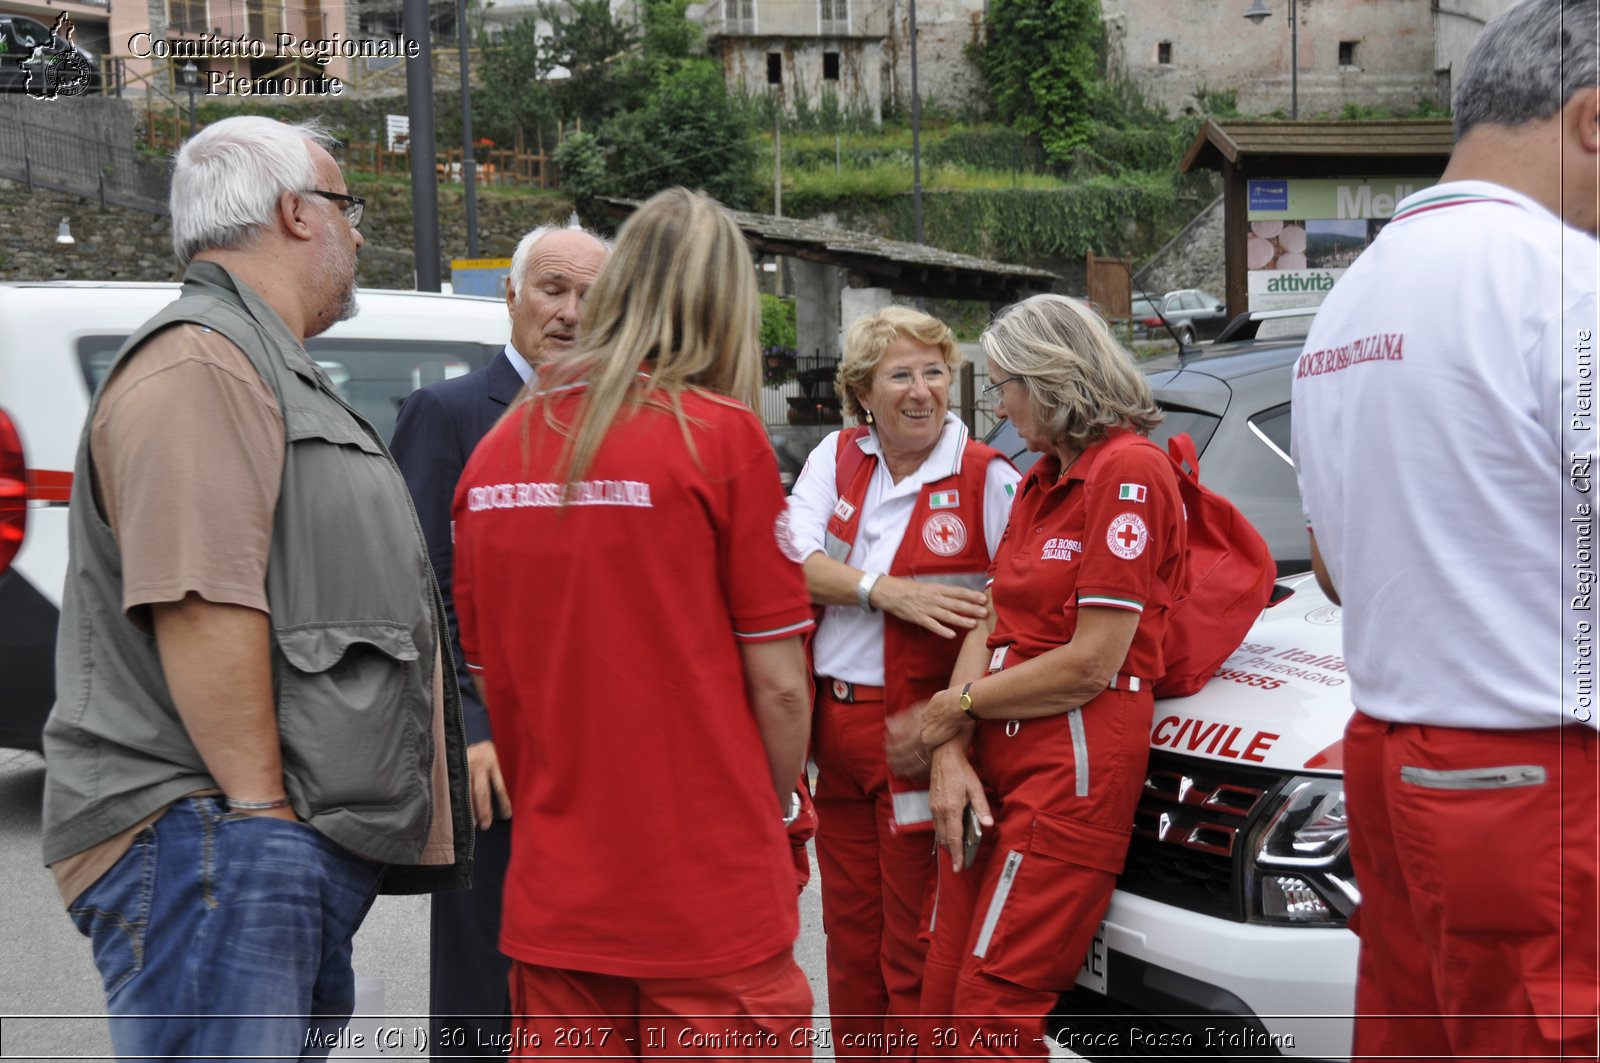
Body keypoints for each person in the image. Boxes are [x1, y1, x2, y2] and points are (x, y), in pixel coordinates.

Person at [39, 115, 472, 1058]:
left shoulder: (256, 357)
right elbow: (199, 600)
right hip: (214, 834)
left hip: (235, 838)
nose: (359, 235)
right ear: (294, 212)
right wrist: (263, 817)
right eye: (347, 209)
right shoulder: (203, 360)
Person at [1290, 0, 1599, 1057]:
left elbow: (1333, 563)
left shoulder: (1350, 295)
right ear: (1592, 121)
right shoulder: (1567, 284)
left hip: (1393, 759)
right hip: (1537, 773)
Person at [449, 187, 814, 1056]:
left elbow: (491, 678)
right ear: (724, 304)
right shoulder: (719, 438)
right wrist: (759, 811)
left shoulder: (494, 451)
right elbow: (781, 688)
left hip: (558, 895)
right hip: (707, 898)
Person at [916, 293, 1186, 1058]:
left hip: (1069, 765)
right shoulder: (1041, 481)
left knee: (989, 1008)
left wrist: (956, 705)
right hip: (999, 752)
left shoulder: (1129, 471)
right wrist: (951, 742)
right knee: (941, 993)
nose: (999, 403)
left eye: (1004, 384)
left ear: (1051, 377)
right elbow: (992, 617)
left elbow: (1091, 662)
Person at [390, 223, 608, 1059]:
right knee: (487, 982)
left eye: (591, 296)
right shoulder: (445, 414)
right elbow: (422, 590)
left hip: (595, 759)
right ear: (511, 297)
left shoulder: (619, 420)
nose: (571, 312)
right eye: (553, 289)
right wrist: (470, 731)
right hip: (495, 759)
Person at [782, 305, 1018, 1056]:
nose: (922, 391)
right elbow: (787, 562)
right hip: (837, 735)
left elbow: (1010, 617)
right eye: (900, 375)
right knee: (848, 940)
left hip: (919, 734)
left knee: (915, 938)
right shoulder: (837, 454)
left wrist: (956, 732)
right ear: (863, 391)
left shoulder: (989, 477)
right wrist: (882, 589)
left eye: (934, 372)